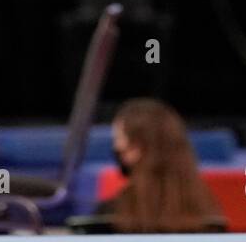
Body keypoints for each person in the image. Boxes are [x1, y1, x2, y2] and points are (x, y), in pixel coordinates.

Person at [94, 98, 220, 233]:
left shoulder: (108, 217)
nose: (115, 146)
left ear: (136, 148)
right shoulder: (210, 216)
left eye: (118, 139)